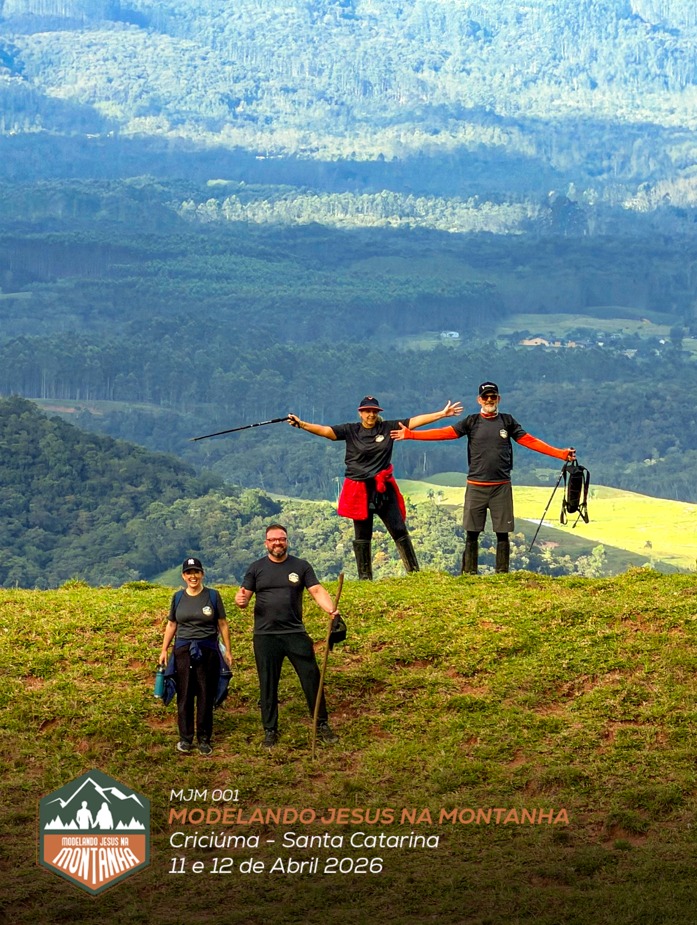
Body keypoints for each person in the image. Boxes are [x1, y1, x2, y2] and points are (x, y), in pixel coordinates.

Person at [391, 381, 575, 574]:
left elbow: (529, 441)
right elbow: (445, 433)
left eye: (493, 396)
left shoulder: (507, 421)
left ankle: (502, 574)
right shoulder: (471, 421)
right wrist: (411, 434)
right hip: (476, 485)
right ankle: (469, 574)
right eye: (485, 397)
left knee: (503, 533)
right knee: (472, 532)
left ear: (499, 399)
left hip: (501, 486)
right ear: (479, 400)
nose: (489, 400)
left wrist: (560, 454)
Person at [288, 396, 463, 580]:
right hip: (358, 488)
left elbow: (413, 422)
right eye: (367, 411)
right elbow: (325, 431)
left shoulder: (387, 428)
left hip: (383, 488)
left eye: (374, 411)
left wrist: (442, 414)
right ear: (360, 412)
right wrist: (302, 424)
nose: (370, 414)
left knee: (398, 529)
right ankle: (365, 578)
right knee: (362, 534)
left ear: (378, 413)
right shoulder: (350, 430)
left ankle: (414, 573)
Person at [234, 524, 341, 749]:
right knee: (268, 683)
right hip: (265, 636)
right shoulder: (256, 568)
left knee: (312, 678)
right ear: (266, 543)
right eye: (272, 540)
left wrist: (331, 610)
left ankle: (321, 724)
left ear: (287, 541)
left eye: (281, 539)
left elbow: (317, 590)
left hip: (295, 632)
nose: (277, 543)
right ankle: (270, 730)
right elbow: (243, 597)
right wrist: (240, 601)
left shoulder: (301, 566)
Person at [159, 556, 232, 756]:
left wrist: (228, 650)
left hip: (207, 650)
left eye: (196, 572)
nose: (193, 576)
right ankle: (185, 738)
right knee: (184, 695)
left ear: (202, 574)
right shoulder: (177, 598)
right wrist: (164, 649)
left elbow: (222, 624)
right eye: (189, 573)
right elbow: (172, 624)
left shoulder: (213, 596)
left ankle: (204, 739)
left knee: (205, 694)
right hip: (182, 651)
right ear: (183, 576)